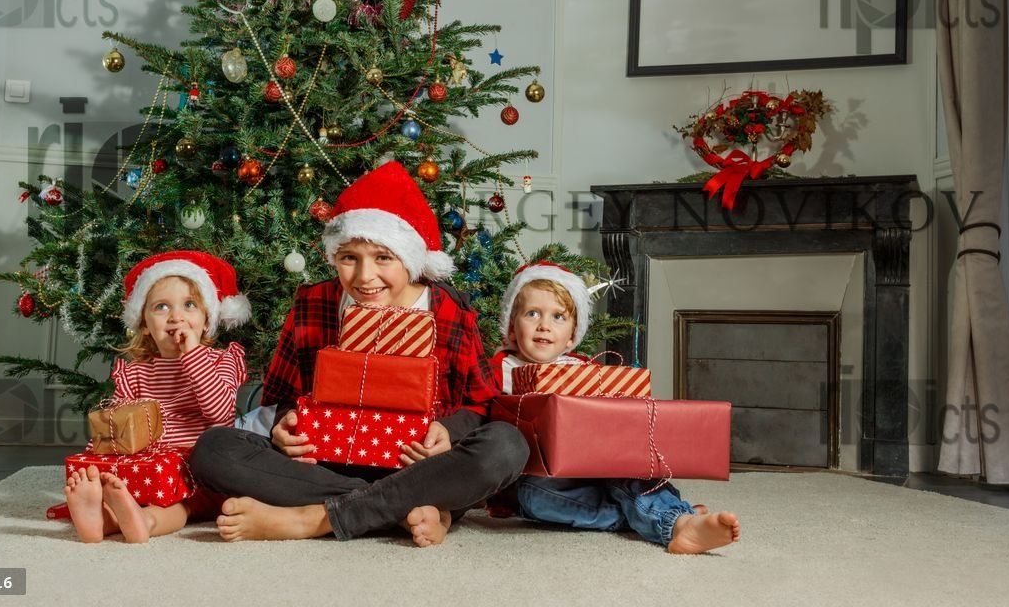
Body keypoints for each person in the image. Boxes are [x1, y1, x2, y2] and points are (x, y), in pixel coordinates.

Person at [189, 161, 528, 547]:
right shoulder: (314, 303)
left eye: (383, 258)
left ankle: (314, 519)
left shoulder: (447, 310)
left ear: (410, 258)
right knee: (214, 449)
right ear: (335, 256)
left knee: (507, 445)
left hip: (419, 464)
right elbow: (281, 396)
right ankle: (399, 511)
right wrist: (285, 424)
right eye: (349, 258)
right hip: (325, 465)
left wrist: (448, 433)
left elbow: (481, 404)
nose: (365, 277)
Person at [493, 261, 741, 554]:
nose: (544, 325)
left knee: (628, 467)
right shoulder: (501, 370)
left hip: (598, 469)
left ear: (573, 335)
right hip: (536, 485)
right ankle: (675, 518)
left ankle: (676, 521)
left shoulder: (585, 371)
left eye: (558, 316)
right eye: (532, 313)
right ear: (511, 325)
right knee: (550, 499)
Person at [64, 250, 249, 543]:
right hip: (145, 469)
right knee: (116, 485)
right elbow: (117, 425)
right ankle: (102, 520)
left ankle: (145, 522)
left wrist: (193, 356)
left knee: (179, 506)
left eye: (189, 305)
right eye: (162, 307)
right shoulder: (136, 372)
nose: (176, 316)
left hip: (199, 471)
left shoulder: (221, 361)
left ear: (206, 320)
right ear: (144, 324)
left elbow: (221, 413)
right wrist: (95, 461)